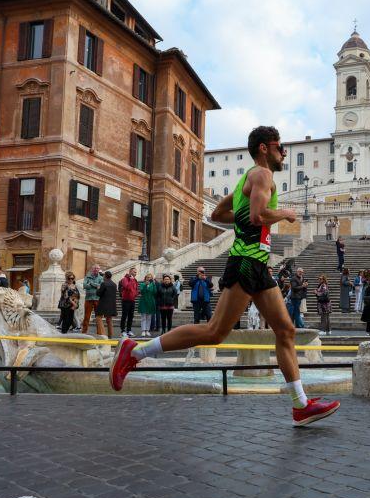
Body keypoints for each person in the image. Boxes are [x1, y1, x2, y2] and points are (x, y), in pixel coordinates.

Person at [110, 125, 340, 426]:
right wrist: (284, 214)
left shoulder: (249, 179)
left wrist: (247, 217)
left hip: (258, 265)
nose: (283, 152)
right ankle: (135, 352)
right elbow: (258, 217)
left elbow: (217, 215)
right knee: (214, 332)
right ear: (263, 149)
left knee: (286, 331)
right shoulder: (262, 176)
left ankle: (300, 404)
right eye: (279, 146)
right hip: (245, 263)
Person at [81, 265, 103, 334]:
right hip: (88, 298)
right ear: (92, 269)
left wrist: (91, 284)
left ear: (99, 270)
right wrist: (96, 285)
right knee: (86, 316)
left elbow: (101, 287)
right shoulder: (87, 277)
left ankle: (99, 332)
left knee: (98, 317)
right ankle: (84, 331)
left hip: (97, 299)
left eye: (97, 268)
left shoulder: (101, 277)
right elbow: (84, 286)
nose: (96, 269)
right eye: (95, 268)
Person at [95, 271, 118, 338]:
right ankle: (110, 335)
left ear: (105, 276)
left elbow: (99, 293)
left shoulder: (104, 284)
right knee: (109, 319)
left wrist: (98, 289)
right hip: (112, 304)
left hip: (103, 303)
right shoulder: (114, 284)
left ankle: (103, 334)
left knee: (98, 317)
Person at [118, 268, 140, 337]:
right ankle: (122, 331)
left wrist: (136, 293)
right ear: (130, 272)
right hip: (126, 300)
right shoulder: (125, 279)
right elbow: (127, 287)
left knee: (131, 316)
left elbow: (135, 289)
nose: (135, 273)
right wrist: (131, 280)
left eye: (136, 272)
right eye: (134, 272)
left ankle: (129, 330)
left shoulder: (135, 280)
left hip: (132, 300)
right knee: (124, 315)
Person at [137, 273, 158, 337]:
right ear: (145, 278)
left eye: (150, 277)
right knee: (143, 317)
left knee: (149, 317)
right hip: (143, 301)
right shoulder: (142, 284)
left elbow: (155, 292)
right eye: (148, 277)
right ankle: (143, 330)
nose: (149, 278)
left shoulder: (153, 284)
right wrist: (146, 286)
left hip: (151, 302)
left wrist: (154, 284)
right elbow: (141, 291)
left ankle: (147, 330)